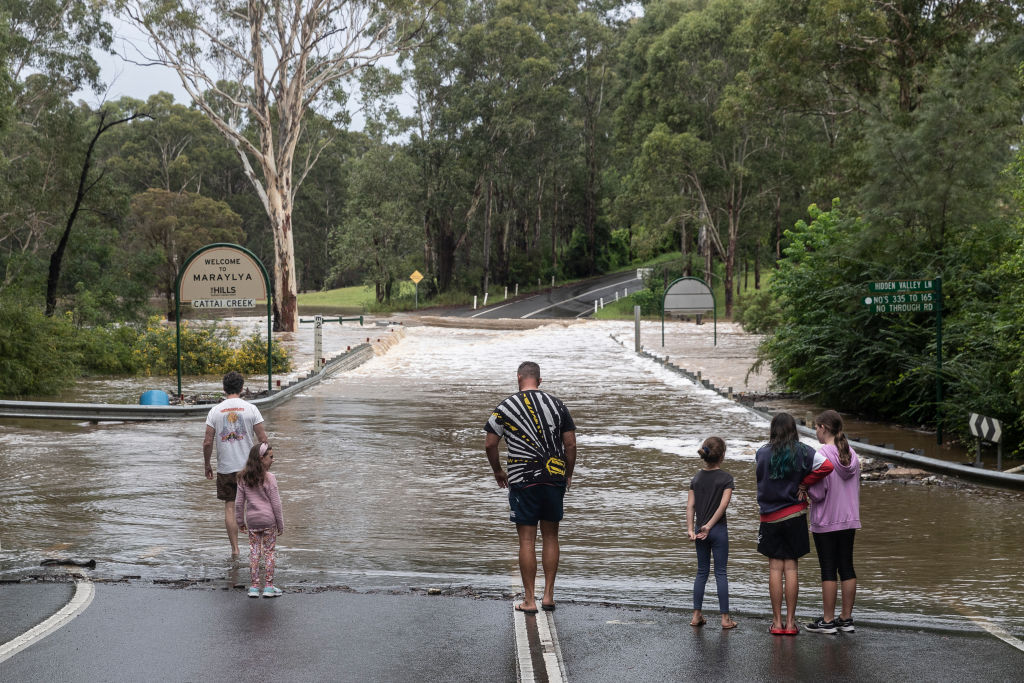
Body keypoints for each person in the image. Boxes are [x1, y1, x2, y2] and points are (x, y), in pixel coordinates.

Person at [485, 361, 577, 614]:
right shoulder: (557, 405)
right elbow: (570, 444)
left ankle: (529, 600)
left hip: (522, 479)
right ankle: (548, 595)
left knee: (526, 540)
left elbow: (490, 444)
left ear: (518, 378)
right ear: (540, 380)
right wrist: (567, 474)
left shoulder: (506, 406)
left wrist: (497, 471)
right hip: (553, 476)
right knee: (551, 536)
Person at [755, 412, 833, 635]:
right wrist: (804, 483)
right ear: (793, 430)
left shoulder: (762, 452)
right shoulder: (804, 451)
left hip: (769, 517)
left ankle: (776, 623)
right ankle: (791, 623)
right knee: (791, 568)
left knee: (774, 568)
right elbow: (827, 466)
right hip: (794, 515)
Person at [805, 409, 861, 634]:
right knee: (846, 566)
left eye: (816, 427)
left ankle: (827, 621)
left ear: (823, 428)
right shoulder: (852, 453)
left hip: (827, 519)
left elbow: (818, 493)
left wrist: (805, 487)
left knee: (828, 568)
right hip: (849, 519)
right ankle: (846, 619)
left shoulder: (822, 454)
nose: (815, 432)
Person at [203, 371, 268, 556]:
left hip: (226, 468)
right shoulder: (251, 409)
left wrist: (207, 464)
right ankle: (258, 549)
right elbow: (263, 439)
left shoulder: (215, 411)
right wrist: (264, 464)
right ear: (242, 388)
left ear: (224, 389)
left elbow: (207, 442)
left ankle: (235, 550)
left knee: (230, 507)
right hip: (249, 467)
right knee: (254, 505)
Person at [686, 436, 738, 630]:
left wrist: (692, 529)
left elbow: (690, 506)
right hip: (717, 530)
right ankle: (725, 619)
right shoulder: (726, 478)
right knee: (721, 573)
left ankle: (696, 615)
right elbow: (723, 506)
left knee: (701, 572)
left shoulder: (696, 478)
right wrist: (711, 525)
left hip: (700, 532)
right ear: (722, 456)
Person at [235, 442, 285, 597]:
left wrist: (240, 522)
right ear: (261, 458)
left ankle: (255, 587)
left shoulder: (243, 477)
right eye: (271, 457)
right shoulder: (270, 478)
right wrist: (280, 523)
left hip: (252, 521)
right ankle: (269, 586)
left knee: (254, 552)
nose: (273, 460)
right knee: (269, 552)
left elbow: (238, 503)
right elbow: (276, 503)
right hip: (268, 521)